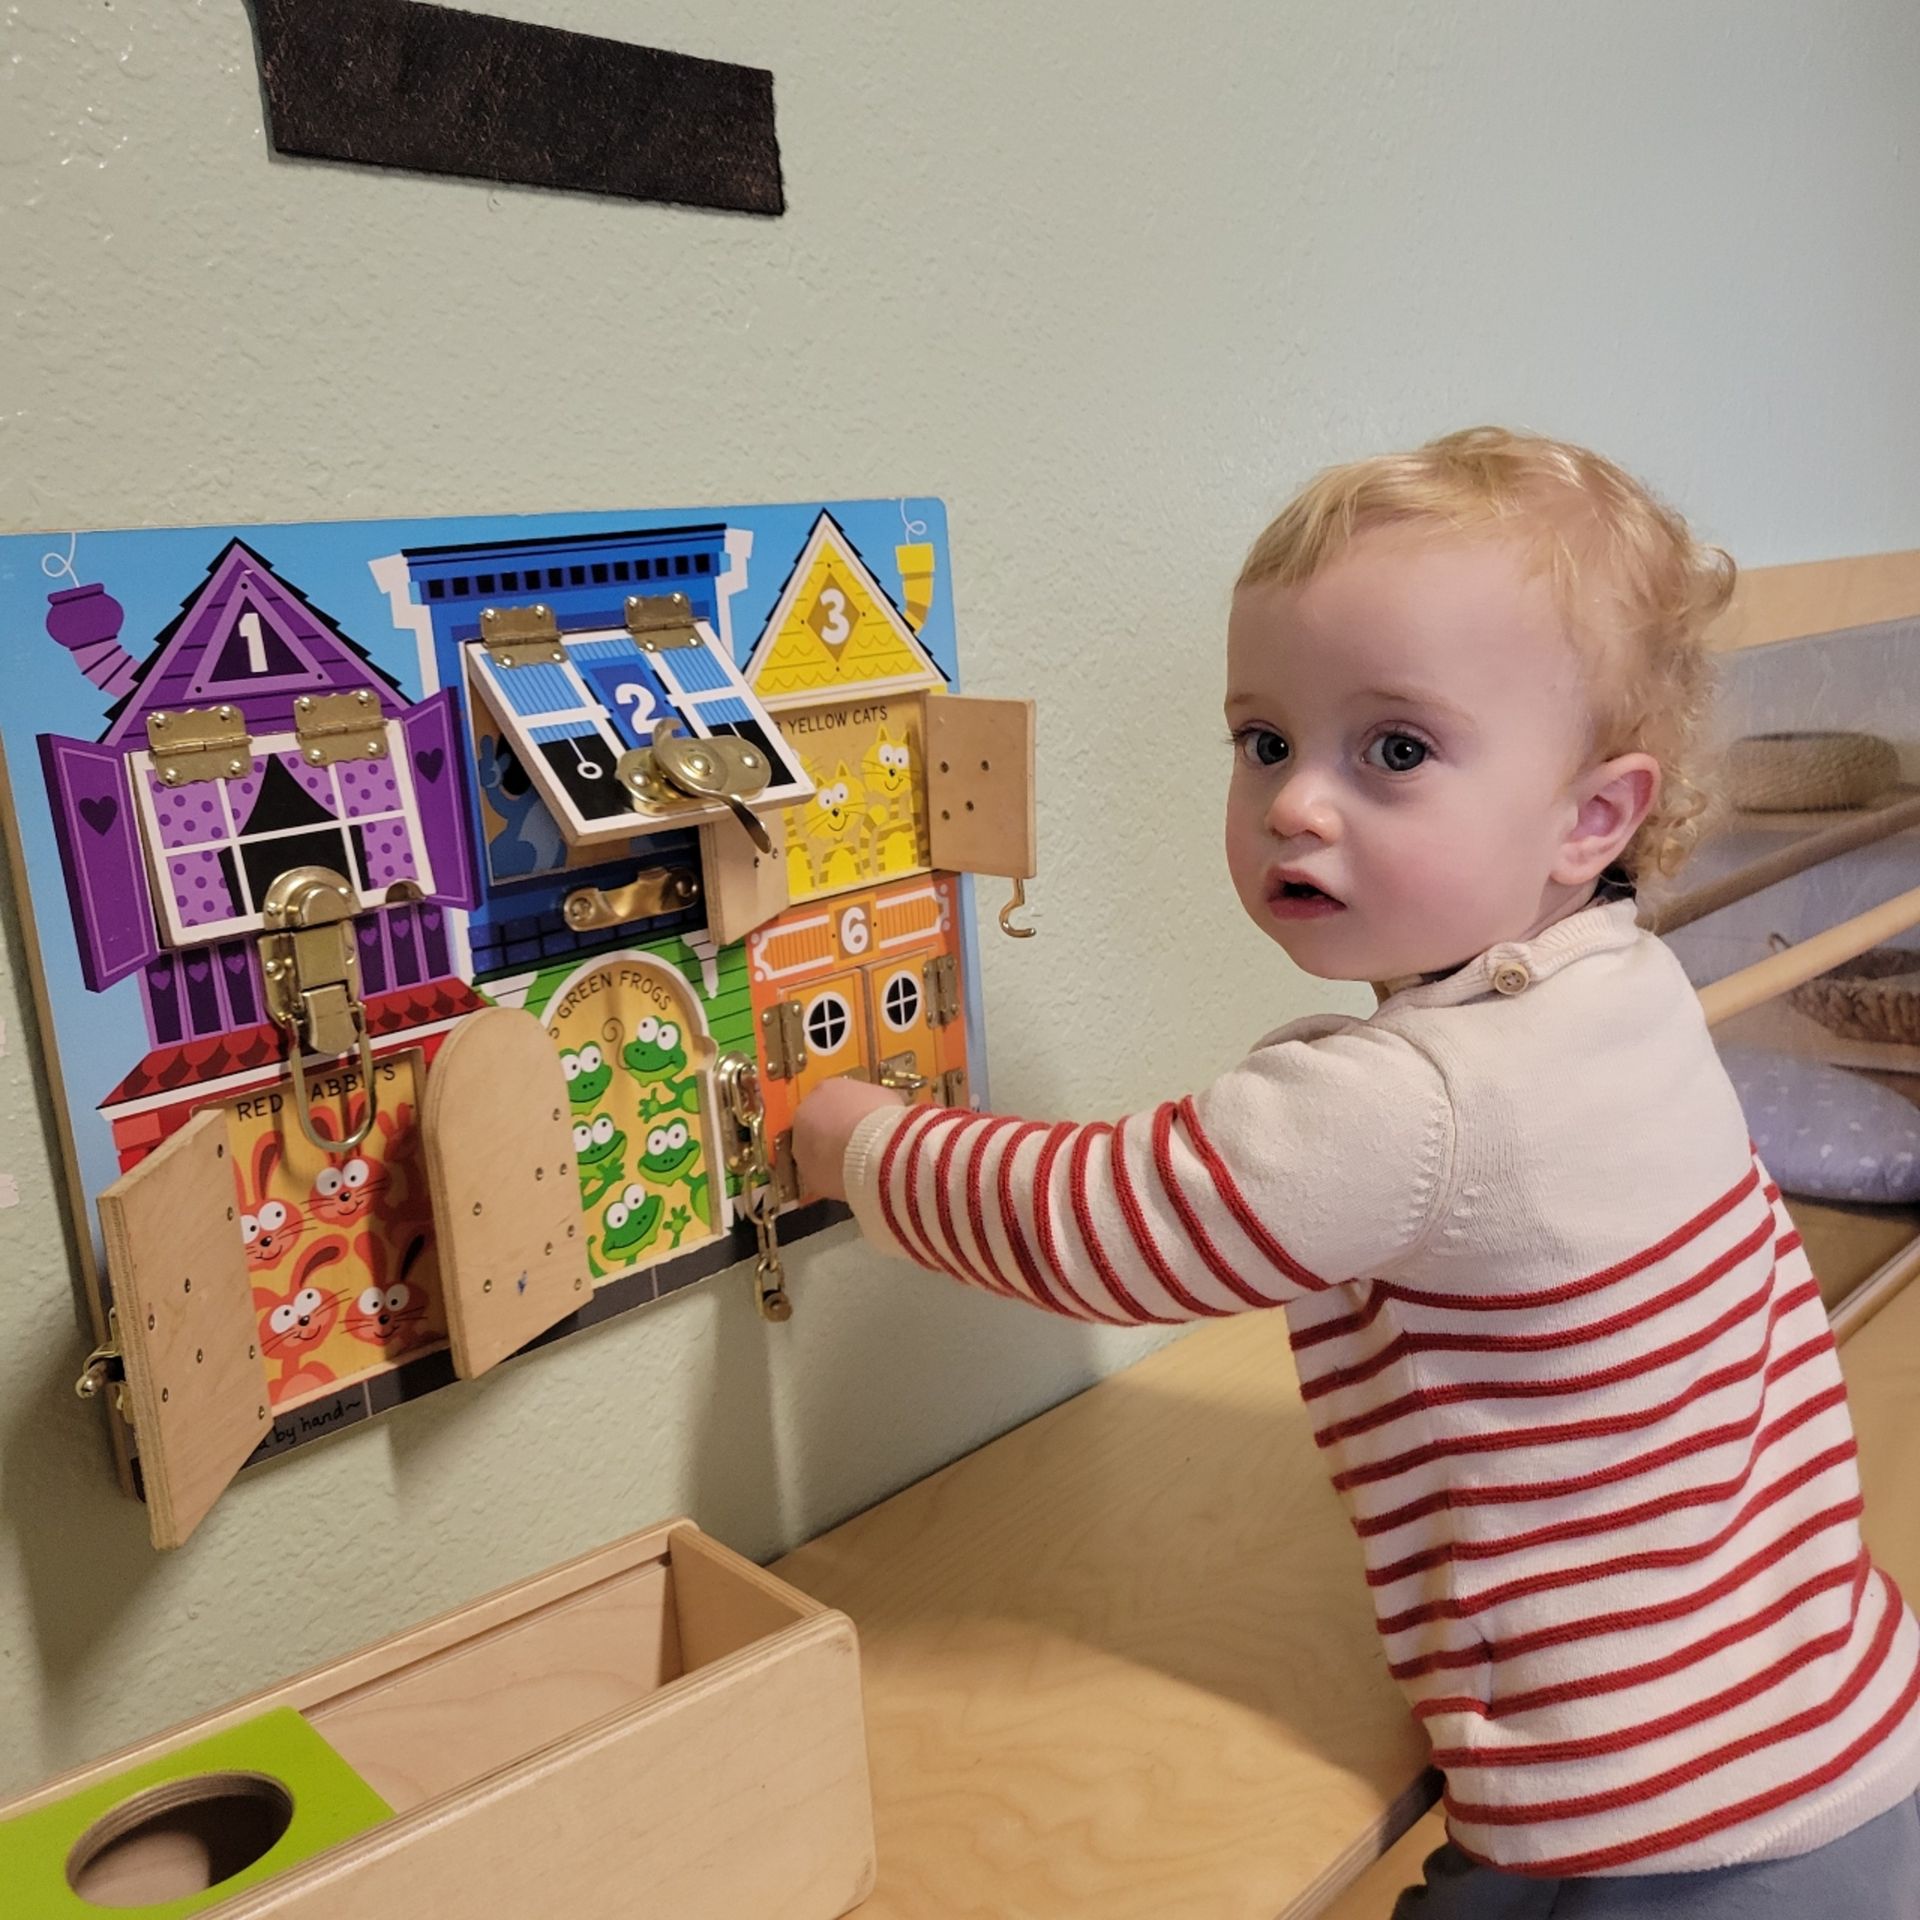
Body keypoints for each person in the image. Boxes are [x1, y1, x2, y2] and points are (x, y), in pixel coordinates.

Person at [790, 427, 1920, 1914]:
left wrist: (850, 1136)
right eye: (1264, 741)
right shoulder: (1620, 985)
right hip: (1834, 1721)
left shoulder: (1420, 1096)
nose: (1295, 806)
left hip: (1655, 1819)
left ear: (1595, 818)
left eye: (1393, 750)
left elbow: (1103, 1226)